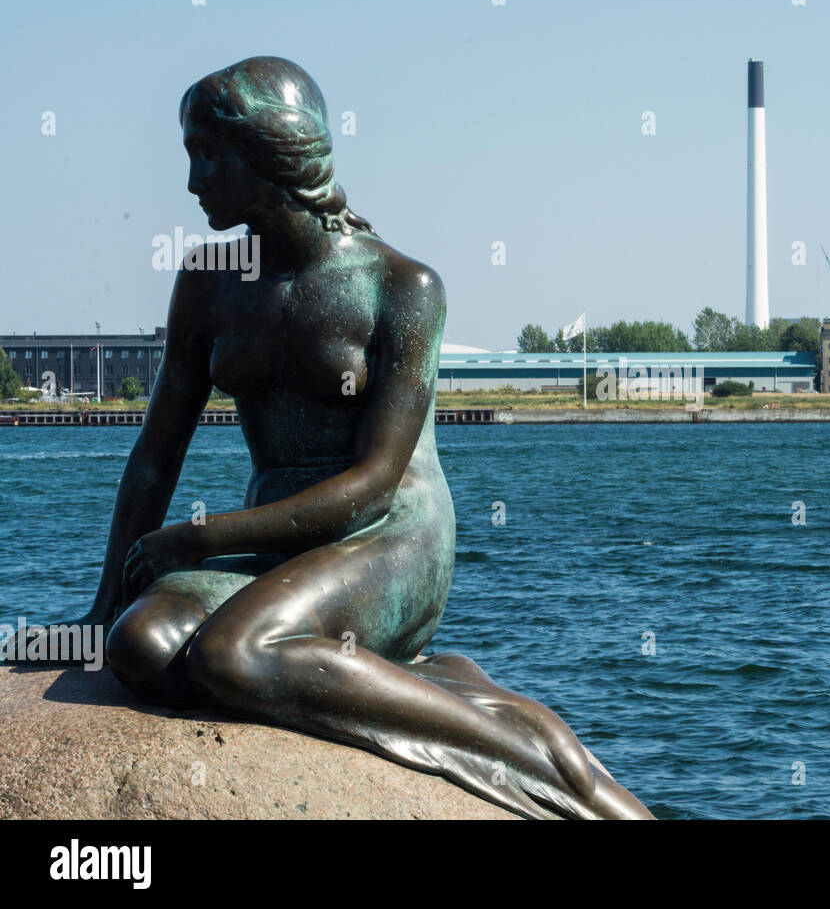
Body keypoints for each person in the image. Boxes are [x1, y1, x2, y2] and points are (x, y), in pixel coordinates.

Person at [74, 56, 648, 820]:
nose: (192, 182)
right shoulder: (208, 282)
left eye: (207, 155)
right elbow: (156, 452)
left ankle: (524, 753)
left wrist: (205, 537)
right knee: (138, 643)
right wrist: (101, 600)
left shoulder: (402, 288)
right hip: (280, 542)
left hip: (386, 536)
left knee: (231, 653)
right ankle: (426, 680)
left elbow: (376, 480)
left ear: (271, 154)